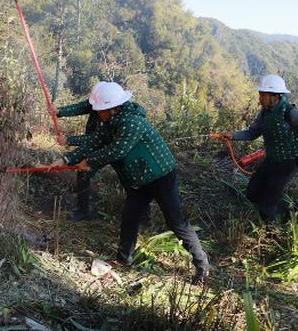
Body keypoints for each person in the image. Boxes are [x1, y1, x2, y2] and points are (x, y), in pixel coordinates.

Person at [50, 82, 209, 284]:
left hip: (161, 176)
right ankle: (123, 259)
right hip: (138, 180)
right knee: (130, 216)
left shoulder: (132, 122)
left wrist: (89, 161)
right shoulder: (109, 123)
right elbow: (94, 141)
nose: (97, 114)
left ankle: (202, 264)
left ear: (112, 108)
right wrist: (66, 160)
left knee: (176, 221)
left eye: (100, 111)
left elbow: (118, 150)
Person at [214, 74, 298, 223]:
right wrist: (232, 136)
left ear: (275, 96)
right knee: (252, 193)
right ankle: (290, 207)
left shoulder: (291, 114)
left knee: (265, 206)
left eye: (262, 94)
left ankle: (272, 232)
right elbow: (252, 133)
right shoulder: (265, 113)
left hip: (288, 162)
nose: (260, 98)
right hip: (272, 159)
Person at [48, 81, 105, 221]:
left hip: (110, 148)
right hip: (96, 144)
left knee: (130, 181)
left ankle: (141, 218)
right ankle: (83, 210)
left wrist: (70, 141)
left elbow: (96, 138)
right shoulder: (98, 103)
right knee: (83, 173)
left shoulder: (112, 118)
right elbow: (81, 107)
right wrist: (59, 111)